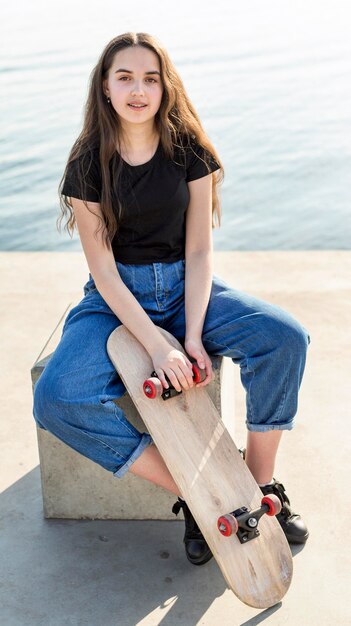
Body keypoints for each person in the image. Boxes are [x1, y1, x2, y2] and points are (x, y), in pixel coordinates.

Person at [33, 32, 310, 566]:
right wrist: (159, 349)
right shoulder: (87, 164)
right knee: (56, 397)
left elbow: (201, 250)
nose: (139, 89)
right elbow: (105, 274)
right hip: (116, 301)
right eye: (125, 77)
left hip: (188, 288)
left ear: (164, 87)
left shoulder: (190, 150)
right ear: (106, 87)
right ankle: (202, 491)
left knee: (283, 338)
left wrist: (188, 335)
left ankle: (257, 487)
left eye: (150, 78)